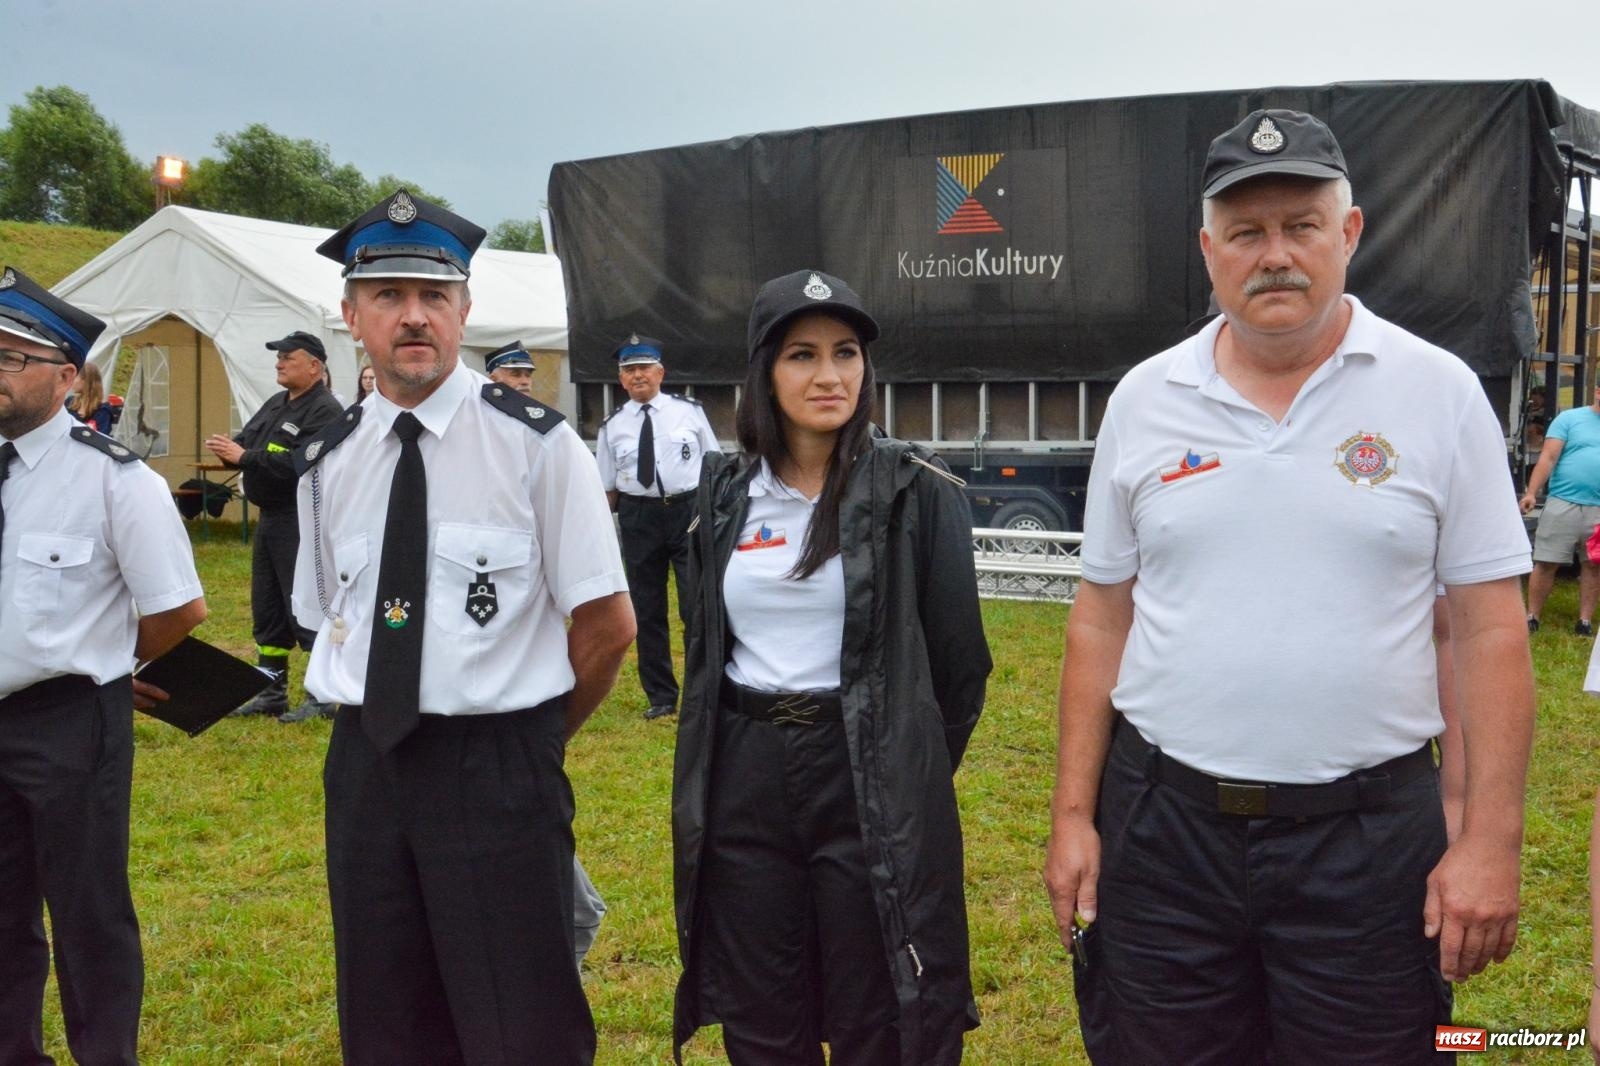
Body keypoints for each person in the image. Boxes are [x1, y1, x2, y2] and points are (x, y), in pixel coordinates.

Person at [1043, 110, 1536, 1064]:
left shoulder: (1435, 393)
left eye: (1301, 225)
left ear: (1348, 234)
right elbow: (1102, 617)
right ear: (1209, 250)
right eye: (1246, 231)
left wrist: (1489, 838)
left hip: (1364, 841)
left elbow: (1487, 629)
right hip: (1162, 832)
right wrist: (1073, 819)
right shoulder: (1145, 399)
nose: (1275, 254)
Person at [291, 190, 635, 1065]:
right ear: (351, 315)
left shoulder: (539, 445)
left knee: (521, 1022)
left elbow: (605, 624)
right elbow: (328, 616)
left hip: (499, 766)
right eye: (389, 296)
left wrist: (528, 743)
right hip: (366, 766)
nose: (413, 316)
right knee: (383, 1015)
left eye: (434, 297)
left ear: (465, 312)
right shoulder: (329, 463)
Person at [671, 269, 992, 1065]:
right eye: (801, 355)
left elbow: (960, 669)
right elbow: (705, 640)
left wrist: (901, 766)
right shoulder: (723, 492)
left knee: (875, 1008)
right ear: (763, 373)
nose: (829, 376)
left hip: (863, 772)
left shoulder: (916, 491)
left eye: (846, 353)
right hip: (745, 772)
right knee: (760, 1009)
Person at [0, 266, 206, 1065]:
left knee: (86, 914)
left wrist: (114, 668)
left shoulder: (115, 481)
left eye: (13, 358)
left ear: (67, 377)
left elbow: (180, 609)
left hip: (69, 719)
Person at [205, 331, 344, 722]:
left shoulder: (325, 411)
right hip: (271, 517)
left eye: (288, 357)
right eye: (278, 357)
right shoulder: (276, 403)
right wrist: (233, 452)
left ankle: (322, 696)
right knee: (268, 607)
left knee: (306, 603)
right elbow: (245, 441)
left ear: (315, 366)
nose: (279, 363)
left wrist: (246, 456)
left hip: (302, 519)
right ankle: (271, 691)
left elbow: (302, 462)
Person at [596, 335, 721, 720]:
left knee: (695, 605)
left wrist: (714, 512)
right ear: (621, 379)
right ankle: (662, 696)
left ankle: (703, 691)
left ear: (660, 372)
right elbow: (607, 489)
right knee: (647, 610)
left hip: (687, 513)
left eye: (644, 368)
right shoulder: (612, 427)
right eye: (629, 371)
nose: (637, 376)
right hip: (639, 518)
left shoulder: (689, 412)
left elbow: (713, 464)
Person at [1521, 380, 1600, 635]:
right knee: (1546, 561)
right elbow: (1548, 457)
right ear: (1597, 391)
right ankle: (1532, 616)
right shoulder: (1570, 419)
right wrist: (1532, 492)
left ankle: (1584, 621)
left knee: (1594, 565)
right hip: (1563, 502)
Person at [67, 359, 116, 434]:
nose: (72, 380)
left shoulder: (103, 412)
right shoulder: (69, 402)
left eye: (76, 376)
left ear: (85, 381)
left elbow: (100, 439)